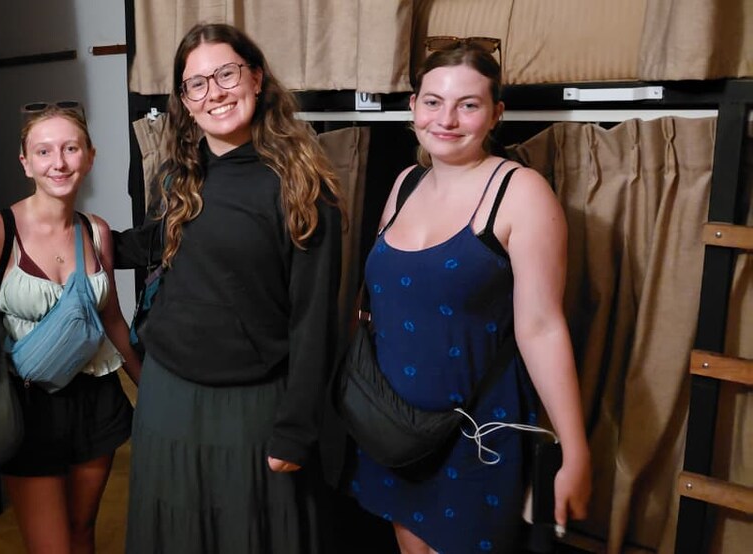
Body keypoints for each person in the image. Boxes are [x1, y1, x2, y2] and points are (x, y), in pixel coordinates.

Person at [346, 37, 591, 553]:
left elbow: (542, 328)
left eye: (468, 105)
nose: (446, 119)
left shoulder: (521, 192)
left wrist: (575, 451)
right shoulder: (405, 183)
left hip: (477, 436)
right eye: (433, 101)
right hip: (393, 429)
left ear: (496, 113)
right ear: (413, 106)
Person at [112, 23, 345, 554]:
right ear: (184, 101)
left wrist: (297, 429)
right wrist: (71, 232)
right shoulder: (178, 176)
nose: (214, 93)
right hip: (168, 396)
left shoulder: (303, 186)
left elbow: (314, 320)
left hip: (254, 407)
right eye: (196, 84)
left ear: (256, 78)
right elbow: (152, 247)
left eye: (226, 74)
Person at [0, 102, 141, 554]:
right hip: (29, 407)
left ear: (90, 156)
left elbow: (112, 318)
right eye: (43, 151)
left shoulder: (96, 231)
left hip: (97, 398)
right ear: (25, 162)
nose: (58, 162)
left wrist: (149, 387)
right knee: (52, 547)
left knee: (83, 532)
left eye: (70, 148)